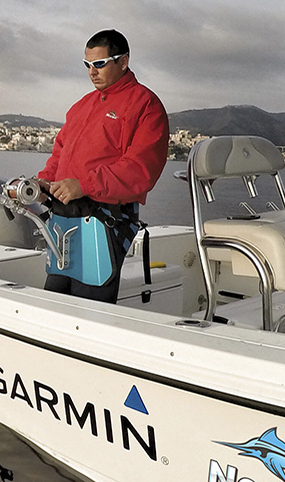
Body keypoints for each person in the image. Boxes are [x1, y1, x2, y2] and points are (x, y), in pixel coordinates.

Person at [36, 29, 169, 303]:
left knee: (90, 310)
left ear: (123, 61)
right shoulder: (81, 106)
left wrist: (84, 185)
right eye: (87, 65)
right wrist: (44, 183)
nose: (92, 72)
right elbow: (61, 153)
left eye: (99, 64)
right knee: (54, 303)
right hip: (64, 220)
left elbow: (140, 170)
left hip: (102, 222)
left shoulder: (146, 105)